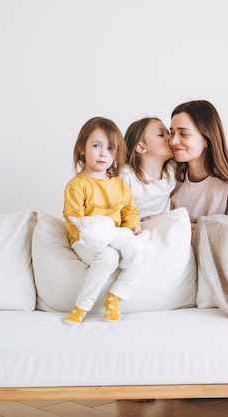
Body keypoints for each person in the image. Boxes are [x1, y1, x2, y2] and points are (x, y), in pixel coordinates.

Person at [62, 116, 143, 324]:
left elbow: (129, 210)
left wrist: (131, 226)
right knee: (109, 257)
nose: (103, 153)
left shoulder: (120, 184)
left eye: (109, 148)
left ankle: (115, 296)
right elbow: (74, 219)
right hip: (87, 241)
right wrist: (99, 237)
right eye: (96, 146)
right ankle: (82, 306)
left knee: (140, 250)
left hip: (116, 237)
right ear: (82, 148)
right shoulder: (77, 184)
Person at [120, 116, 228, 222]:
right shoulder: (126, 176)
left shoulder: (170, 171)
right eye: (163, 135)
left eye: (170, 134)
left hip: (156, 228)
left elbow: (214, 143)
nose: (172, 140)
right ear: (141, 147)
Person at [169, 100, 228, 225]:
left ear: (207, 139)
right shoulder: (169, 171)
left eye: (183, 134)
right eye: (172, 133)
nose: (173, 141)